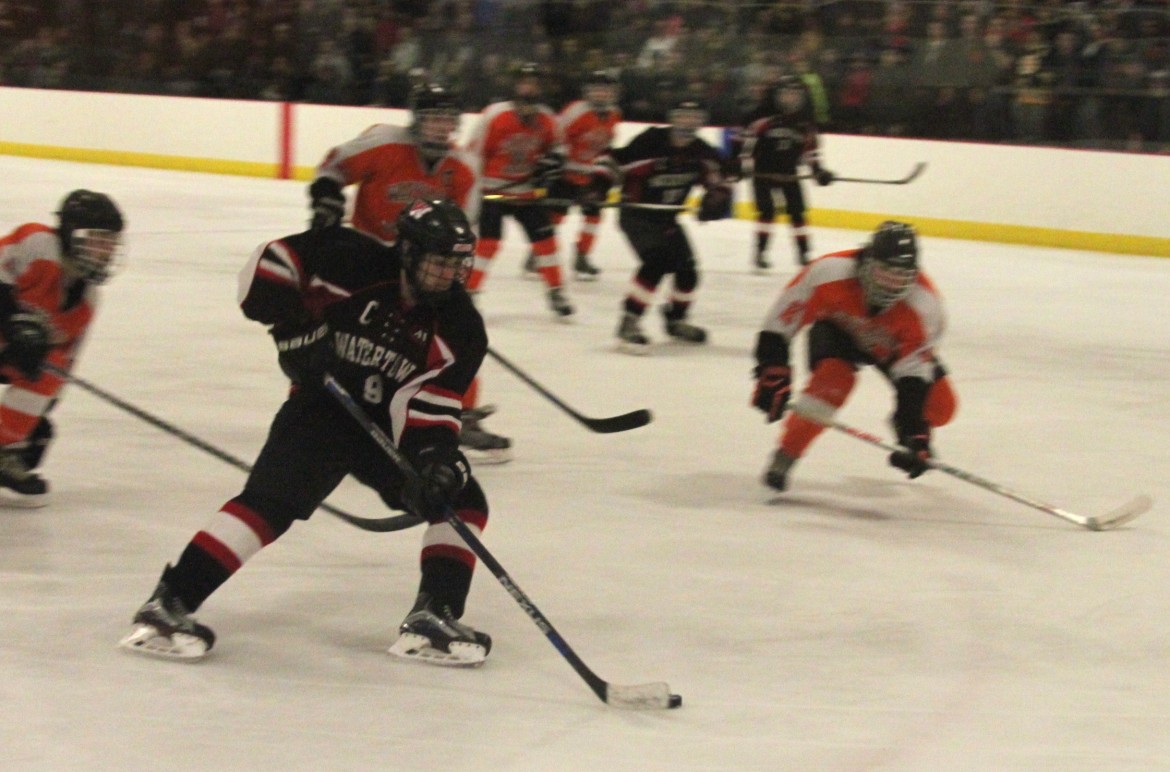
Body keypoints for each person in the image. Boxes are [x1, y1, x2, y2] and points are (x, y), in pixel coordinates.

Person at [120, 199, 494, 666]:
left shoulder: (462, 327)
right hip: (321, 410)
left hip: (384, 429)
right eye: (439, 262)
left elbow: (432, 409)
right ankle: (169, 603)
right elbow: (267, 267)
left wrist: (434, 461)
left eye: (458, 265)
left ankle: (432, 617)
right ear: (408, 252)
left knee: (461, 498)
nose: (448, 276)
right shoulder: (348, 257)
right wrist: (295, 327)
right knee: (270, 503)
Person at [307, 82, 511, 463]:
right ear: (417, 119)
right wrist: (327, 196)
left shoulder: (463, 168)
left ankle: (460, 414)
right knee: (342, 330)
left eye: (446, 121)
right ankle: (318, 403)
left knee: (459, 332)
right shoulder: (384, 142)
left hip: (423, 267)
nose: (439, 128)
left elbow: (464, 232)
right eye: (433, 119)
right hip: (367, 258)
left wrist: (447, 278)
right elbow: (333, 166)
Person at [750, 221, 958, 491]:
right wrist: (772, 369)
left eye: (901, 278)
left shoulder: (926, 307)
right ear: (865, 262)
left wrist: (913, 429)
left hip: (890, 346)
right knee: (833, 383)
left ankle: (901, 424)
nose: (891, 287)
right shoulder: (827, 272)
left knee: (942, 408)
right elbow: (780, 323)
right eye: (885, 274)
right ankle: (787, 453)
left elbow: (913, 372)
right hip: (840, 332)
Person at [0, 190, 125, 506]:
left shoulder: (87, 300)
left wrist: (30, 422)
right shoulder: (37, 243)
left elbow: (62, 367)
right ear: (70, 234)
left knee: (48, 365)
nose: (106, 251)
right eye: (98, 240)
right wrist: (11, 322)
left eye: (111, 242)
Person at [595, 100, 733, 354]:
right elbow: (614, 161)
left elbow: (719, 181)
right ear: (673, 118)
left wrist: (715, 200)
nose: (688, 123)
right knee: (656, 262)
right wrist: (597, 188)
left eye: (694, 117)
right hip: (637, 215)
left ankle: (675, 319)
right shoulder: (651, 142)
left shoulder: (703, 152)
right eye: (683, 117)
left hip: (667, 218)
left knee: (688, 272)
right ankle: (629, 322)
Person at [464, 62, 574, 319]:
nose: (529, 88)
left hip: (525, 193)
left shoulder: (548, 120)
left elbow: (558, 149)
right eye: (525, 82)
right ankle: (470, 292)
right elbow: (473, 155)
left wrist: (553, 162)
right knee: (488, 244)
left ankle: (556, 290)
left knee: (546, 241)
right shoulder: (495, 116)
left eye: (534, 83)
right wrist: (474, 193)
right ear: (515, 87)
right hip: (493, 191)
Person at [737, 75, 834, 270]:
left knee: (798, 213)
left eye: (794, 95)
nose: (790, 99)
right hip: (762, 174)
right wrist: (743, 167)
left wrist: (818, 171)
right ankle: (760, 253)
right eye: (786, 94)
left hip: (790, 173)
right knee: (767, 212)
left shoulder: (805, 125)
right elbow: (745, 148)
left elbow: (810, 152)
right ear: (776, 96)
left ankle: (804, 253)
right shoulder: (761, 121)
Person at [546, 69, 622, 281]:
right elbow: (557, 136)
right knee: (556, 215)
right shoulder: (576, 111)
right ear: (588, 92)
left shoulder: (614, 114)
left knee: (594, 216)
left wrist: (607, 167)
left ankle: (582, 255)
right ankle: (537, 253)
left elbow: (607, 144)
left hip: (592, 177)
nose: (601, 94)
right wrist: (557, 162)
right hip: (567, 174)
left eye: (606, 90)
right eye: (597, 90)